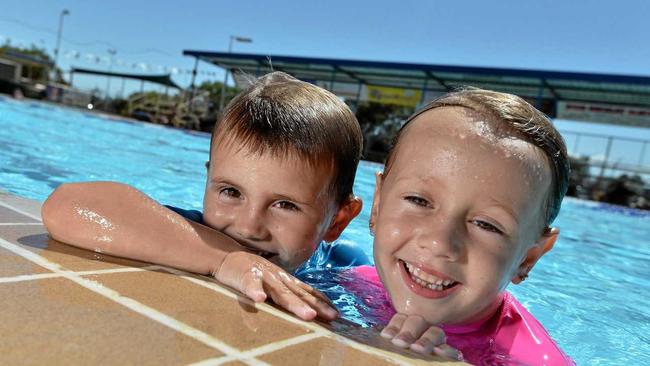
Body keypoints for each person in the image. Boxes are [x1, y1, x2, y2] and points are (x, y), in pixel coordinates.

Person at [42, 71, 364, 322]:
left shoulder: (344, 264)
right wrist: (222, 259)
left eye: (285, 205)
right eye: (231, 192)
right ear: (208, 180)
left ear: (337, 219)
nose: (249, 227)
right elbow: (65, 205)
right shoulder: (188, 231)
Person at [343, 88, 574, 364]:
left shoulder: (531, 360)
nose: (440, 242)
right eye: (418, 200)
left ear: (528, 258)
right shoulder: (349, 282)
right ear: (378, 205)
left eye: (486, 224)